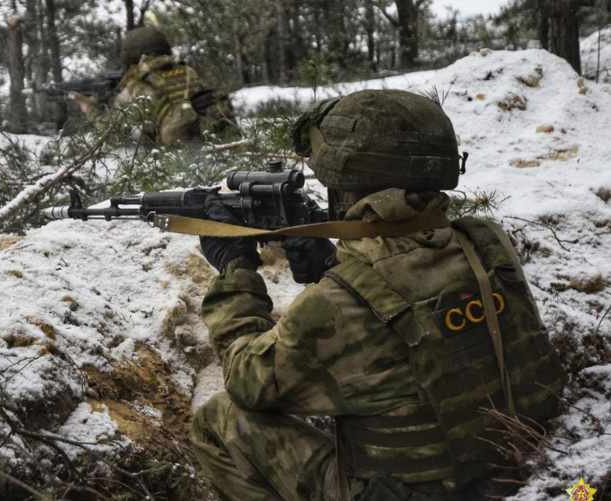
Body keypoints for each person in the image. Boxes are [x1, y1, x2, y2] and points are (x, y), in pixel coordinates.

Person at [191, 89, 566, 501]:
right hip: (546, 481)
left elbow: (249, 381)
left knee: (219, 420)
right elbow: (405, 296)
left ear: (349, 187)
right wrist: (334, 267)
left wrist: (235, 270)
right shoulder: (488, 244)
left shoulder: (340, 302)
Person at [74, 26, 238, 145]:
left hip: (177, 170)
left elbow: (113, 135)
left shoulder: (136, 86)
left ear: (133, 57)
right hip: (223, 151)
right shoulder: (191, 71)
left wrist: (90, 109)